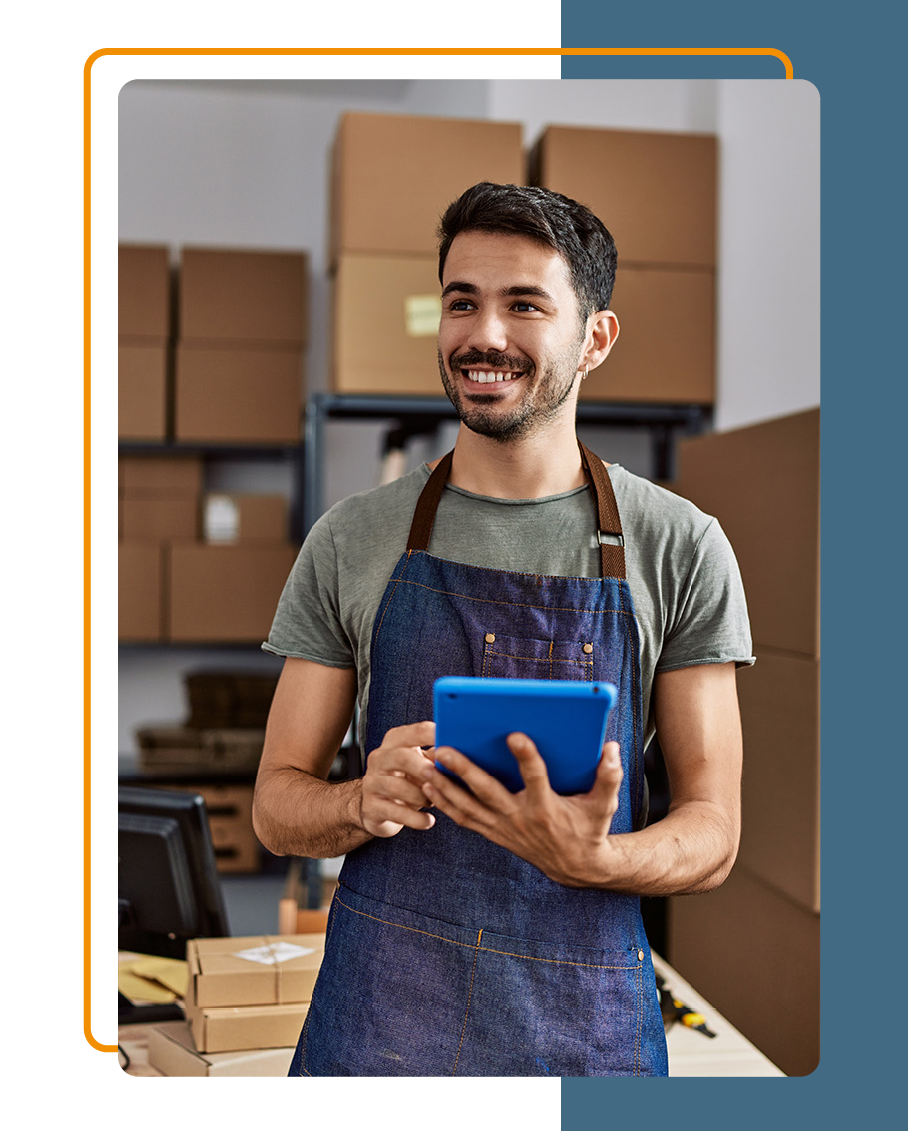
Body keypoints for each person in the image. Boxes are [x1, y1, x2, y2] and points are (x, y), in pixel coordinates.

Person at [253, 181, 753, 1077]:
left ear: (595, 338)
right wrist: (357, 801)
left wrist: (597, 858)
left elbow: (714, 830)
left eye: (525, 305)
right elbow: (276, 807)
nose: (484, 336)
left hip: (583, 1030)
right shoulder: (351, 538)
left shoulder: (681, 545)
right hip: (381, 1026)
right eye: (462, 302)